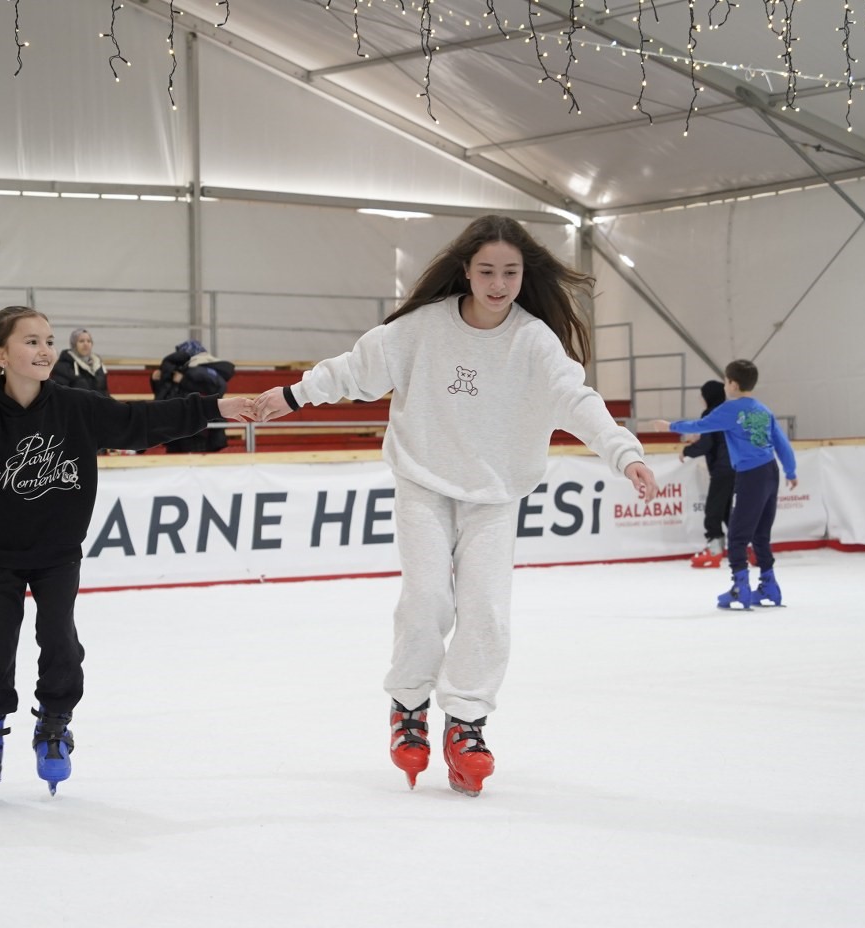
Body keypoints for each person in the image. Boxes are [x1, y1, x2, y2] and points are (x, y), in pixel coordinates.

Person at [252, 214, 658, 798]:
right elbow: (354, 370)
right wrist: (289, 396)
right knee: (426, 598)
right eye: (487, 270)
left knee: (487, 610)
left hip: (495, 494)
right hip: (424, 480)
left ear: (524, 276)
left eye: (510, 273)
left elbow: (577, 400)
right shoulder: (421, 329)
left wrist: (626, 454)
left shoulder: (534, 342)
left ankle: (466, 720)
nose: (499, 283)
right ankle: (409, 705)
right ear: (465, 270)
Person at [0, 305, 255, 806]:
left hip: (58, 553)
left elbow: (140, 421)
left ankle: (55, 724)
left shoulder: (75, 407)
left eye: (48, 340)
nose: (44, 350)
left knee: (58, 638)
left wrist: (215, 408)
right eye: (31, 342)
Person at [654, 358, 797, 610]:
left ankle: (740, 587)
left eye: (725, 381)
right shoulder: (763, 410)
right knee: (761, 534)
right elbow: (781, 442)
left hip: (751, 475)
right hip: (770, 472)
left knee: (738, 534)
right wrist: (791, 471)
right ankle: (769, 585)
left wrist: (670, 426)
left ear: (731, 384)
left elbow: (701, 426)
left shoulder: (731, 410)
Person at [681, 379, 735, 569]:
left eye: (702, 395)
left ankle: (714, 551)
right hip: (736, 467)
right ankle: (747, 548)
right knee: (728, 512)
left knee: (713, 512)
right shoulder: (729, 412)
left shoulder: (711, 414)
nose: (700, 398)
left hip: (722, 468)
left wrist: (686, 451)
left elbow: (707, 444)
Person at [151, 339, 236, 452]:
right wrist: (155, 380)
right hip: (182, 426)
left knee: (195, 462)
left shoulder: (200, 370)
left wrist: (184, 381)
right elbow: (166, 393)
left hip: (198, 429)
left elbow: (214, 391)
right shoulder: (185, 369)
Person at [50, 328, 110, 396]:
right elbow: (59, 395)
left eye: (89, 341)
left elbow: (105, 393)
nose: (86, 344)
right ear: (74, 344)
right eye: (81, 341)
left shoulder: (98, 365)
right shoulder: (63, 367)